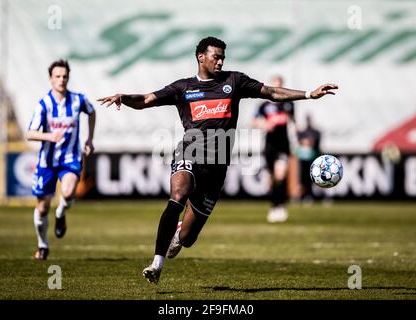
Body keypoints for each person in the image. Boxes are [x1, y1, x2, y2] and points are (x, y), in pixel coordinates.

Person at [98, 36, 337, 284]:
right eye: (216, 57)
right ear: (201, 57)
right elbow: (147, 99)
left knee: (188, 238)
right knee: (178, 194)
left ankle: (179, 233)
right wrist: (124, 97)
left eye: (223, 57)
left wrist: (309, 94)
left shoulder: (234, 81)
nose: (220, 61)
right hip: (189, 153)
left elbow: (271, 92)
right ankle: (156, 264)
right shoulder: (183, 88)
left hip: (217, 167)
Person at [27, 59, 96, 260]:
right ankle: (43, 245)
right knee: (42, 207)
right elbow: (30, 133)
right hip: (47, 163)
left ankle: (60, 214)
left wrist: (90, 138)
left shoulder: (78, 100)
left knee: (67, 192)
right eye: (57, 76)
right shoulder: (44, 105)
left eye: (65, 76)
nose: (61, 80)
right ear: (50, 79)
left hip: (70, 158)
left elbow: (92, 113)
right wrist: (49, 136)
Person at [253, 75, 296, 223]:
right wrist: (263, 124)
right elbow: (254, 121)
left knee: (280, 175)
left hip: (283, 145)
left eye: (280, 85)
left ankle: (280, 207)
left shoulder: (288, 103)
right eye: (275, 85)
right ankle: (274, 206)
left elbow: (288, 120)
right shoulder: (264, 105)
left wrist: (275, 120)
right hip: (269, 145)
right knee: (271, 179)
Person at [296, 114, 321, 203]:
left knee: (311, 178)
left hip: (312, 158)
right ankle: (302, 196)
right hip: (303, 158)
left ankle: (310, 195)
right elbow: (300, 143)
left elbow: (316, 144)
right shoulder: (302, 132)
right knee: (302, 178)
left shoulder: (315, 132)